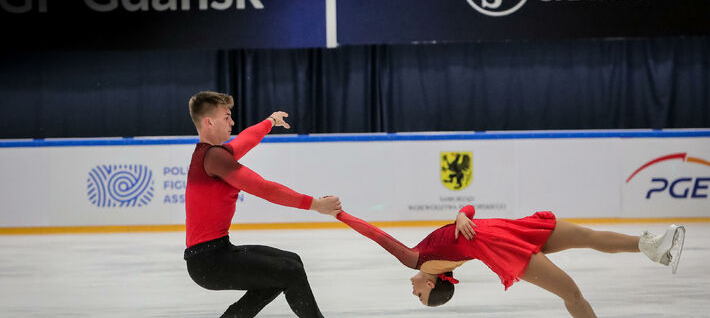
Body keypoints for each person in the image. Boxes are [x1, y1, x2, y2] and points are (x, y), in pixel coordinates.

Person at [336, 204, 685, 317]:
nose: (413, 293)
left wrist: (460, 214)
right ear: (431, 285)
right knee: (571, 294)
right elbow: (376, 235)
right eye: (421, 296)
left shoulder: (422, 261)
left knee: (587, 237)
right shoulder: (417, 261)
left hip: (501, 230)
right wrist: (340, 214)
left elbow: (469, 212)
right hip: (501, 246)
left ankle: (650, 246)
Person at [184, 91, 341, 318]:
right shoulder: (215, 158)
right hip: (209, 261)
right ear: (209, 122)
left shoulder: (213, 154)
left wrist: (270, 121)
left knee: (290, 263)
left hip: (215, 253)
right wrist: (316, 204)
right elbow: (263, 188)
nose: (232, 122)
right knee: (290, 271)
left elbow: (245, 140)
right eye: (227, 117)